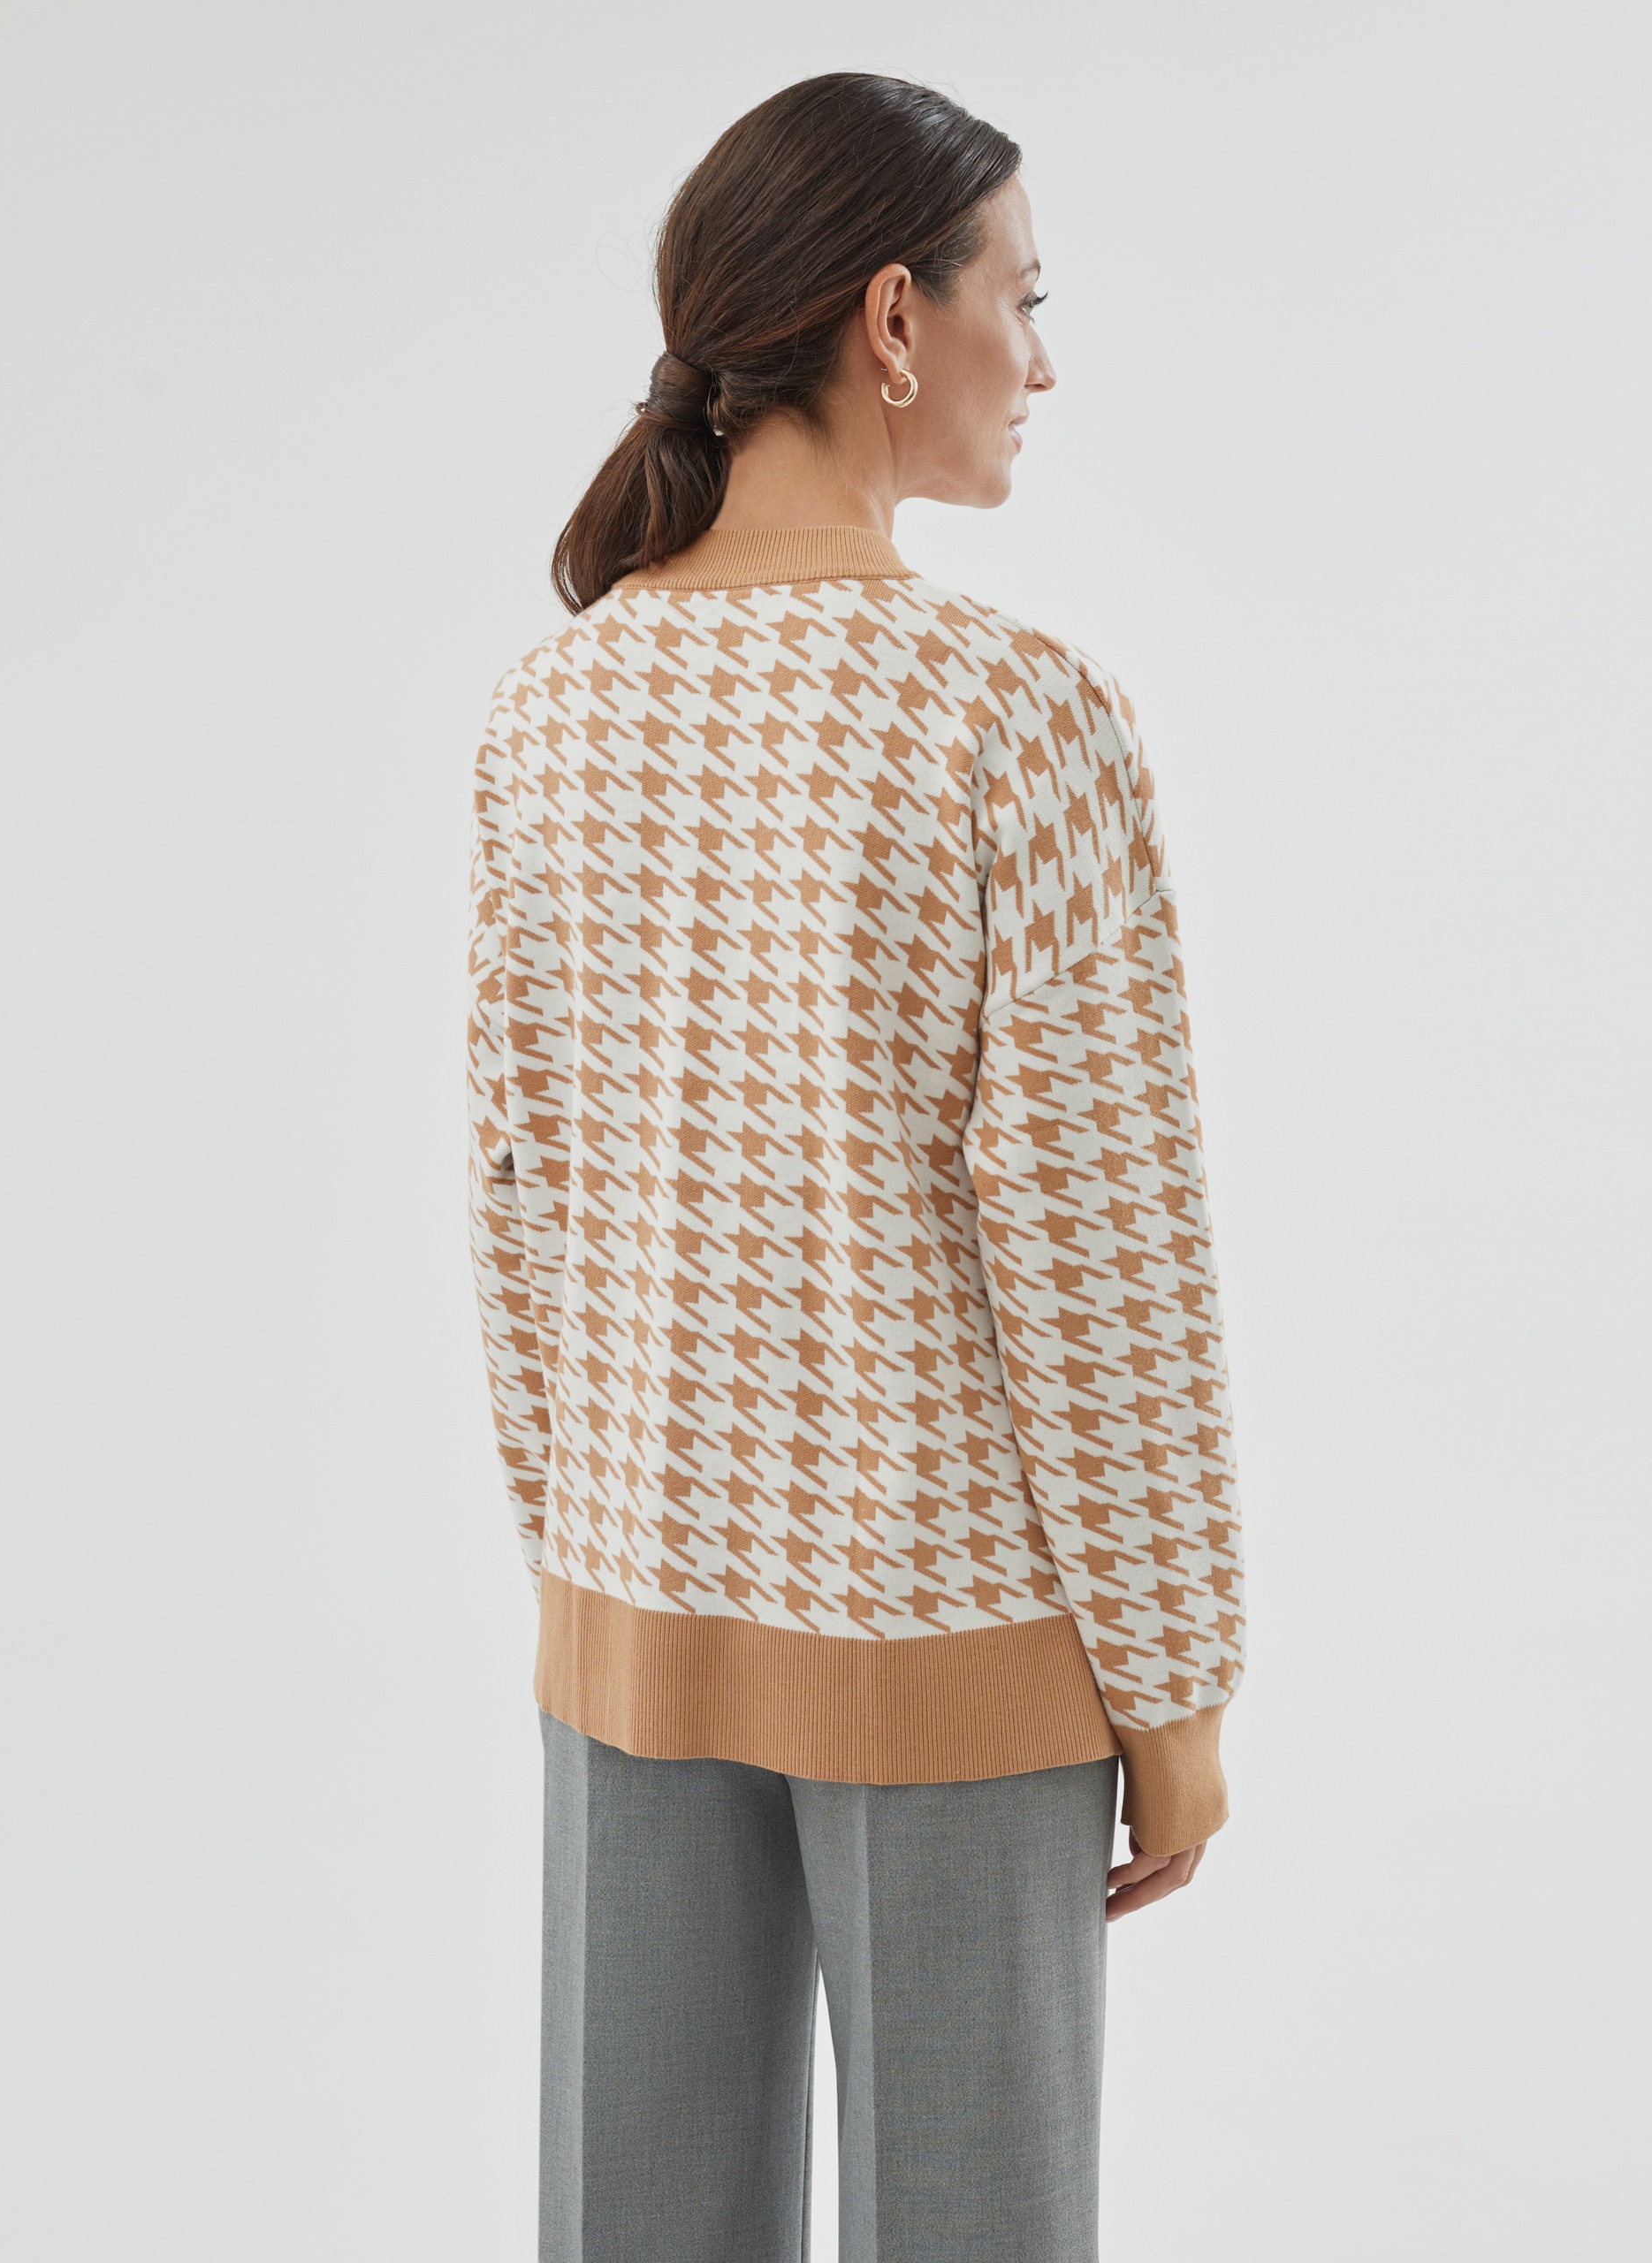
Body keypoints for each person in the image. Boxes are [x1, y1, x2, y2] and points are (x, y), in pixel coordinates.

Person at [468, 70, 1244, 2263]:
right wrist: (1173, 1685)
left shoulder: (554, 706)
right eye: (1026, 299)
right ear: (896, 321)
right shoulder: (1014, 714)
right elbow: (1103, 1253)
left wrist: (583, 1543)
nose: (1044, 361)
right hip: (952, 1630)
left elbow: (520, 1198)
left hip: (630, 1612)